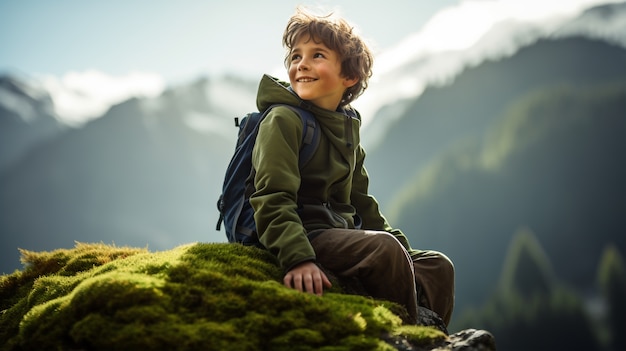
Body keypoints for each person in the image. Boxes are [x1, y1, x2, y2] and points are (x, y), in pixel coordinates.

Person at [249, 7, 455, 327]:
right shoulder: (282, 119)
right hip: (304, 232)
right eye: (295, 56)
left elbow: (360, 202)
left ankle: (437, 336)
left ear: (349, 77)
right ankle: (410, 336)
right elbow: (271, 197)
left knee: (437, 265)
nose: (300, 63)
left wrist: (405, 253)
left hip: (340, 231)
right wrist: (297, 259)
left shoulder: (346, 126)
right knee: (385, 250)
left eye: (316, 55)